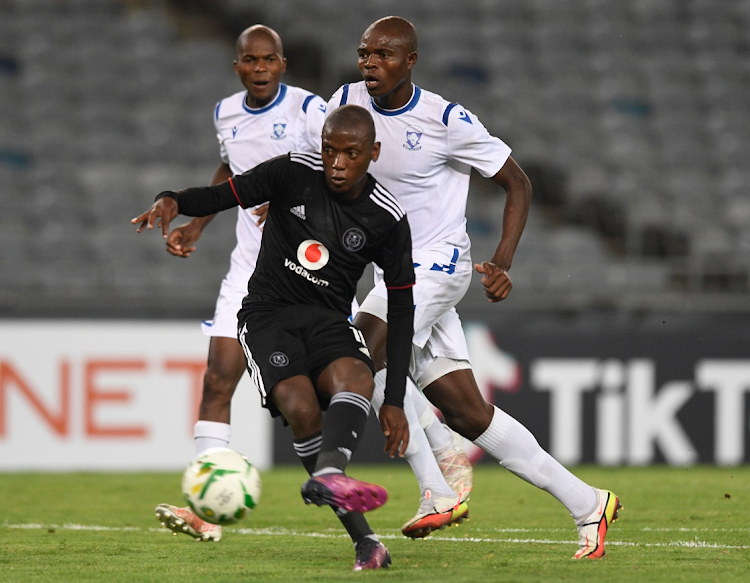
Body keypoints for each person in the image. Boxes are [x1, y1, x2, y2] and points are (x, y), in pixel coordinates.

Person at [152, 24, 471, 543]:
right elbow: (233, 177)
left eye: (268, 60)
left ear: (281, 63)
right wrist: (193, 218)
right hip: (256, 276)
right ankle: (210, 503)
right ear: (237, 67)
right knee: (222, 380)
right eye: (249, 61)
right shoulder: (226, 114)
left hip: (320, 278)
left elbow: (340, 159)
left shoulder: (309, 112)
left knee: (351, 373)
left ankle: (431, 466)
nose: (258, 69)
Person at [327, 16, 622, 560]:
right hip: (388, 269)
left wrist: (503, 260)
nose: (370, 63)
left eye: (384, 55)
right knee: (466, 411)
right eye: (365, 52)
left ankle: (438, 481)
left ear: (410, 61)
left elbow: (518, 183)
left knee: (355, 350)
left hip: (437, 265)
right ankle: (589, 503)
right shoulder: (345, 102)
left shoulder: (445, 119)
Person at [133, 105, 415, 571]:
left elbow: (402, 309)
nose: (337, 163)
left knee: (356, 376)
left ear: (373, 153)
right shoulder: (291, 172)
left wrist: (397, 399)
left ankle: (328, 474)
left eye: (351, 153)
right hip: (268, 316)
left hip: (328, 319)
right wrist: (171, 199)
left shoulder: (386, 217)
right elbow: (219, 196)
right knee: (301, 407)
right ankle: (365, 540)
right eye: (329, 151)